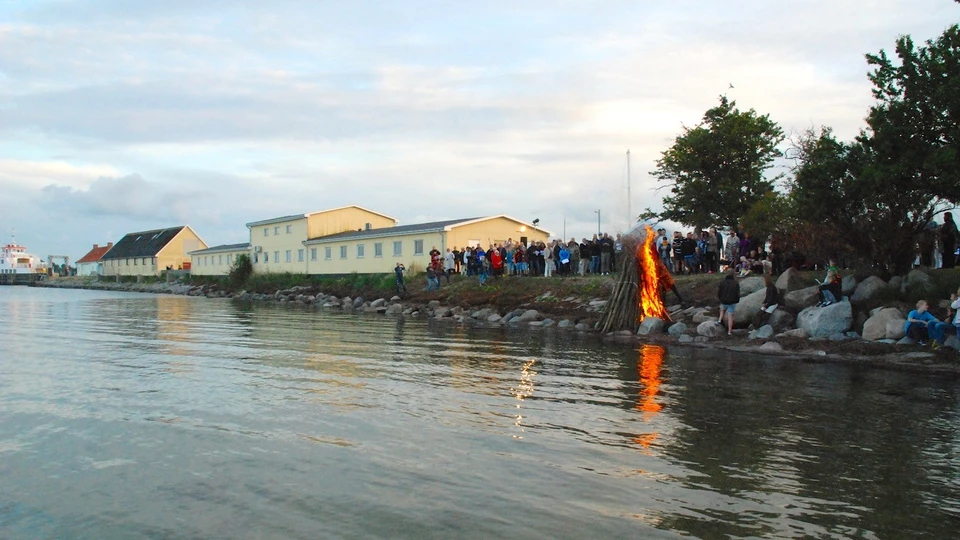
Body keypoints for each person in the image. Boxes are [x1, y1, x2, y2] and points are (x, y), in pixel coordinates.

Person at [717, 269, 740, 336]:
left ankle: (719, 320)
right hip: (732, 301)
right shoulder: (735, 283)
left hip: (724, 300)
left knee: (722, 309)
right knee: (730, 316)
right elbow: (737, 293)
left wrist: (720, 298)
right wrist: (737, 300)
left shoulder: (723, 282)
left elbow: (719, 292)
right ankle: (729, 331)